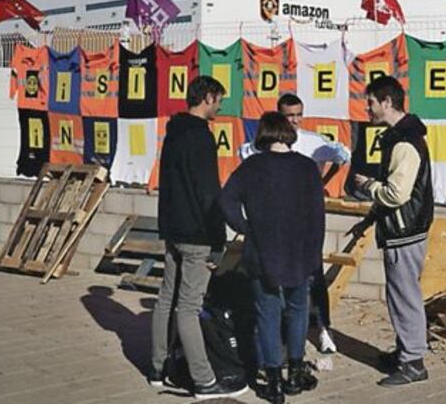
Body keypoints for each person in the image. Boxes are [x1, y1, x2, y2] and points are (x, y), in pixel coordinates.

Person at [149, 75, 247, 399]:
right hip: (197, 233)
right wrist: (218, 238)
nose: (219, 106)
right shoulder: (201, 137)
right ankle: (204, 380)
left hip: (173, 230)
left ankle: (157, 368)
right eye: (218, 99)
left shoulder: (173, 133)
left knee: (166, 298)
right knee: (189, 307)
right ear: (206, 97)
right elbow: (208, 192)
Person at [220, 111, 326, 403]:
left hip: (262, 250)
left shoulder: (252, 166)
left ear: (264, 134)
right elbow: (318, 216)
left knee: (267, 313)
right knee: (298, 310)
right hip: (300, 251)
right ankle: (295, 373)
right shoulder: (307, 168)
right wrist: (315, 253)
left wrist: (245, 228)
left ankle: (274, 382)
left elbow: (226, 200)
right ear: (288, 133)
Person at [238, 92, 350, 353]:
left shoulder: (312, 142)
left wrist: (321, 183)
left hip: (304, 221)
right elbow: (246, 159)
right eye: (289, 116)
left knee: (313, 272)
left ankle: (324, 328)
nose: (295, 120)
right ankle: (280, 334)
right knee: (273, 279)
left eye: (299, 114)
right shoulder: (262, 144)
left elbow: (341, 154)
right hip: (275, 222)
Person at [352, 76, 434, 387]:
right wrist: (368, 220)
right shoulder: (401, 137)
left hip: (405, 231)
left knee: (404, 296)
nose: (367, 108)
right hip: (403, 228)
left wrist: (368, 186)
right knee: (400, 294)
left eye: (371, 102)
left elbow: (397, 194)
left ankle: (413, 361)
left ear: (387, 102)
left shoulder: (404, 142)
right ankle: (405, 351)